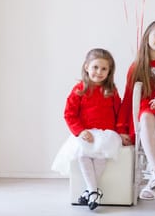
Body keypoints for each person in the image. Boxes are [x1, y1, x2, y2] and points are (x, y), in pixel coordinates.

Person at [51, 48, 123, 210]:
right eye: (95, 67)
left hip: (106, 134)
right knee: (82, 154)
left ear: (109, 71)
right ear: (86, 67)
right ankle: (93, 191)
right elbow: (69, 114)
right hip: (86, 133)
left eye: (104, 69)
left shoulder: (111, 90)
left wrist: (122, 131)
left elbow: (118, 113)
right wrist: (81, 131)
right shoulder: (79, 89)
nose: (99, 72)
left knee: (100, 156)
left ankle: (90, 192)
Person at [117, 20, 155, 201]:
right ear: (147, 37)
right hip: (146, 105)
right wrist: (121, 127)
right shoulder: (136, 66)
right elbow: (128, 99)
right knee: (145, 118)